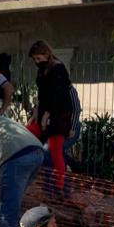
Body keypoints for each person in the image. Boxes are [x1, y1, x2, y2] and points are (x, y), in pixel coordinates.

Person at [27, 40, 81, 197]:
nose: (37, 63)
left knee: (52, 152)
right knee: (29, 137)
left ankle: (59, 187)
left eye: (39, 59)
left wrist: (48, 116)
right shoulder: (43, 72)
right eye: (35, 60)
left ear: (46, 55)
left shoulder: (61, 78)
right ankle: (51, 185)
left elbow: (69, 105)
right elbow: (42, 97)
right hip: (46, 116)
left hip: (60, 121)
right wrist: (36, 114)